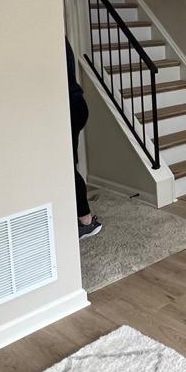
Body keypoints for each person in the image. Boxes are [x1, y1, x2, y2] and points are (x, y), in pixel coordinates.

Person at [66, 38, 101, 240]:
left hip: (70, 106)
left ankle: (86, 221)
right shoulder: (57, 36)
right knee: (69, 164)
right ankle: (81, 216)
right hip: (76, 104)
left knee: (67, 166)